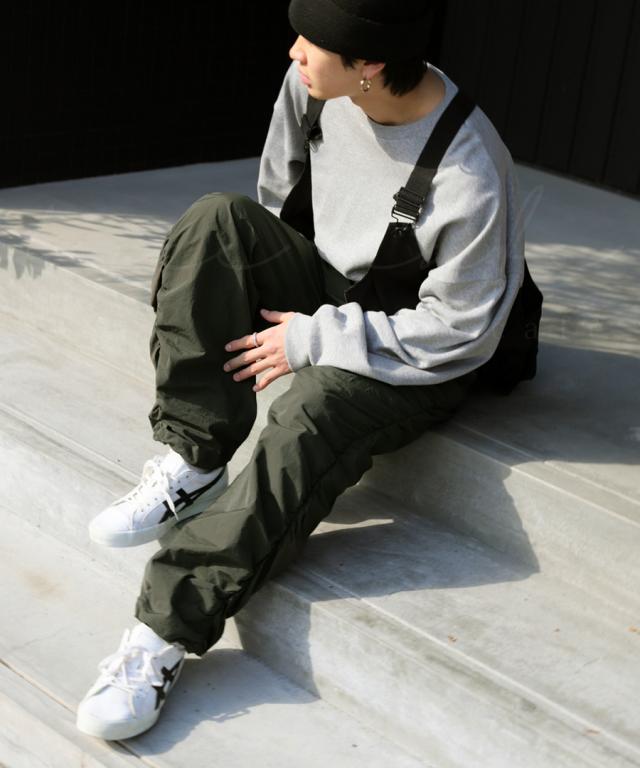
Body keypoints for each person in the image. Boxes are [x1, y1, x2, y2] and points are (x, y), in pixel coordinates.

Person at [76, 0, 524, 741]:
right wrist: (273, 302)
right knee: (216, 221)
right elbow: (275, 205)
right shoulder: (312, 88)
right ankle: (196, 457)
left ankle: (161, 631)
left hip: (416, 348)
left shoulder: (470, 170)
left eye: (312, 44)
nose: (292, 52)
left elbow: (462, 332)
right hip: (332, 288)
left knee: (313, 405)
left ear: (369, 64)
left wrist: (317, 339)